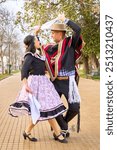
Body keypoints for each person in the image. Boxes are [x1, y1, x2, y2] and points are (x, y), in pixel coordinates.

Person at [9, 35, 68, 143]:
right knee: (44, 109)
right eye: (37, 40)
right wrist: (26, 85)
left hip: (43, 84)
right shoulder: (29, 55)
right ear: (32, 43)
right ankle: (58, 133)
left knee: (44, 110)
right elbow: (24, 71)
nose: (39, 42)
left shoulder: (38, 55)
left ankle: (27, 132)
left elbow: (42, 66)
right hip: (35, 85)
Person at [35, 13, 83, 137]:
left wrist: (65, 20)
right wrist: (36, 34)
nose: (51, 35)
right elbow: (40, 48)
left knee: (75, 107)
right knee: (52, 107)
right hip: (55, 82)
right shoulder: (51, 48)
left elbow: (78, 29)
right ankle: (63, 128)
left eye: (53, 33)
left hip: (69, 82)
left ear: (60, 33)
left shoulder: (71, 43)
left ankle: (63, 125)